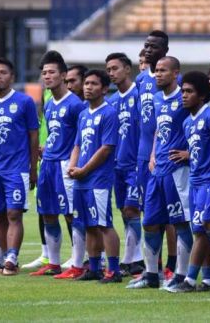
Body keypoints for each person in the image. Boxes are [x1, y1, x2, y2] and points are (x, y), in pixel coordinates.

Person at [129, 56, 191, 289]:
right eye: (156, 71)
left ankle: (180, 275)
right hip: (158, 170)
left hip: (178, 172)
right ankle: (152, 274)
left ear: (176, 73)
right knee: (150, 222)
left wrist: (189, 154)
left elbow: (199, 126)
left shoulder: (185, 98)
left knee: (181, 223)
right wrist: (154, 154)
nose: (157, 74)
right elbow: (157, 130)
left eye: (163, 70)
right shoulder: (156, 99)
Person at [0, 57, 39, 276]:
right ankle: (5, 257)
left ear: (11, 77)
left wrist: (33, 168)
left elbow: (33, 136)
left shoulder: (24, 102)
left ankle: (12, 257)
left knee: (14, 213)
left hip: (17, 169)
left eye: (3, 72)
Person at [30, 51, 86, 278]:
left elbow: (83, 137)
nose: (47, 76)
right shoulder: (49, 102)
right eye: (44, 73)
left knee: (72, 214)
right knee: (48, 213)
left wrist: (75, 163)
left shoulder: (75, 104)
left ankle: (79, 263)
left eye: (52, 72)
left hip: (65, 165)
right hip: (48, 165)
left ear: (63, 75)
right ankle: (53, 263)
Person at [166, 71, 210, 293]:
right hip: (195, 181)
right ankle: (208, 279)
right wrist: (189, 154)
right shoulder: (188, 122)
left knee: (203, 230)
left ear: (202, 95)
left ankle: (189, 279)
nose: (183, 96)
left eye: (189, 92)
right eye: (183, 91)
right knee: (201, 230)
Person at [133, 31, 178, 282]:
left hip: (165, 157)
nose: (148, 49)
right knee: (148, 214)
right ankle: (153, 269)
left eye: (154, 46)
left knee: (171, 215)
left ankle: (172, 265)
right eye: (146, 46)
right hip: (143, 155)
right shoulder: (140, 80)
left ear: (165, 48)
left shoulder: (171, 82)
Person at [68, 69, 121, 282]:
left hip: (98, 178)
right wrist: (72, 167)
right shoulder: (83, 114)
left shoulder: (109, 113)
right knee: (87, 224)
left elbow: (106, 148)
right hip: (81, 177)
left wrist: (84, 170)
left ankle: (114, 270)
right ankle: (94, 268)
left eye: (94, 84)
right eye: (86, 83)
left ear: (105, 89)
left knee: (103, 224)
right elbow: (78, 145)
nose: (88, 87)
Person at [106, 52, 145, 276]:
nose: (111, 73)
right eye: (108, 69)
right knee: (124, 210)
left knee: (133, 208)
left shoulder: (139, 95)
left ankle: (137, 257)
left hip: (135, 164)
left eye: (115, 68)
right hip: (117, 165)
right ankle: (131, 258)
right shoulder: (112, 101)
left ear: (127, 70)